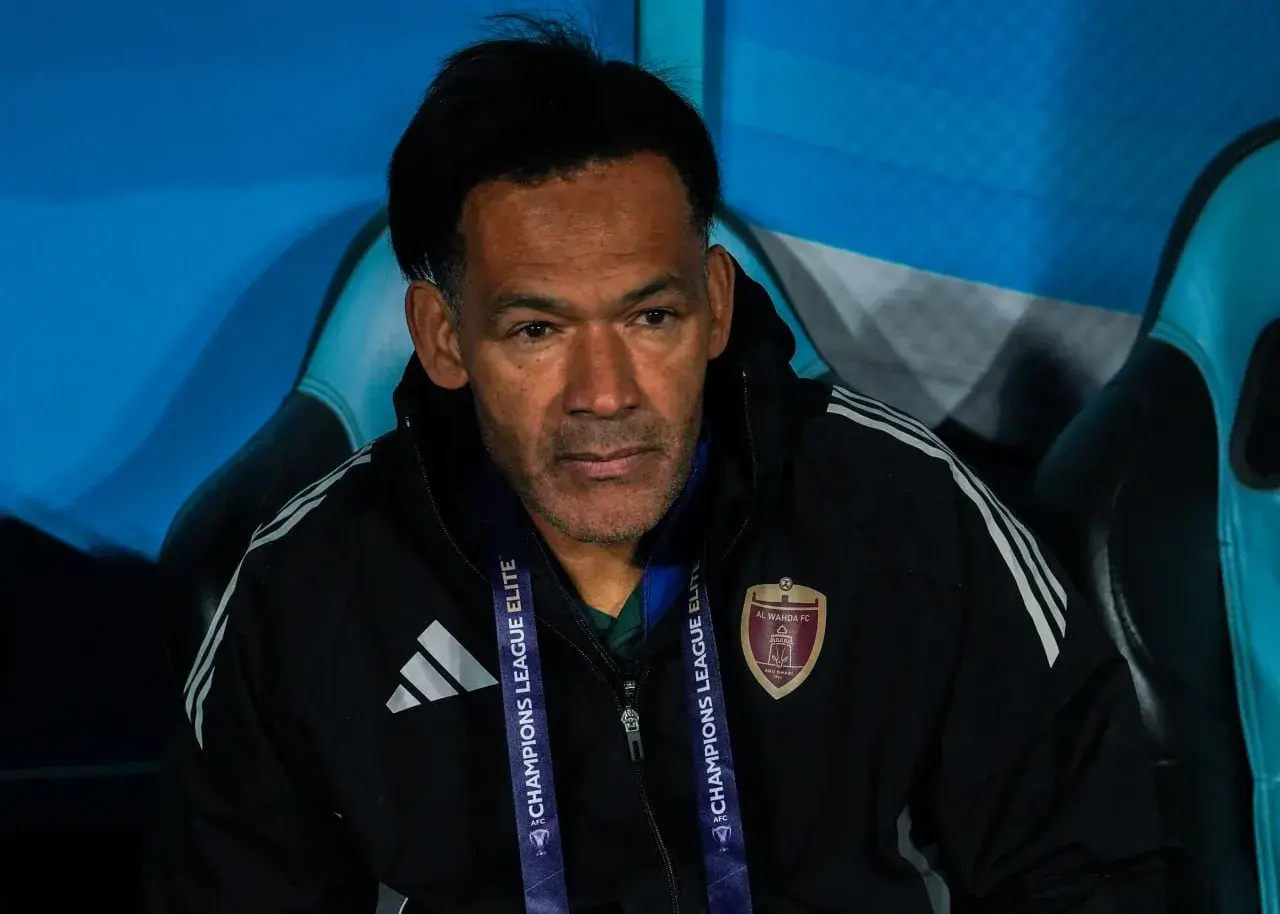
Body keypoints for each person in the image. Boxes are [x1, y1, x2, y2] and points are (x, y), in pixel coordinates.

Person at [144, 14, 1169, 913]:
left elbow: (1084, 871)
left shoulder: (903, 511)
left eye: (650, 318)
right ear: (444, 338)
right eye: (537, 330)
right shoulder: (309, 587)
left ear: (714, 306)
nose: (605, 393)